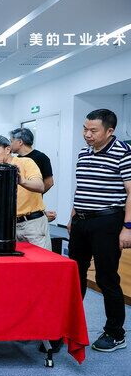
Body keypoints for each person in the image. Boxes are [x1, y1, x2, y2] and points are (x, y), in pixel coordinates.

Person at [68, 109, 130, 352]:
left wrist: (128, 228)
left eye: (93, 130)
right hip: (81, 221)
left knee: (106, 277)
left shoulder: (123, 153)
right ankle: (70, 325)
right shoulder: (84, 152)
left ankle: (115, 332)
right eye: (85, 129)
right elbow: (82, 186)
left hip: (108, 221)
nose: (87, 134)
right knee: (75, 274)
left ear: (109, 130)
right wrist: (73, 216)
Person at [0, 135, 50, 249]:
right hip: (8, 226)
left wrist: (22, 181)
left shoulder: (26, 162)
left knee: (40, 259)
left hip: (32, 224)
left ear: (7, 149)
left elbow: (40, 186)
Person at [10, 127, 56, 222]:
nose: (9, 145)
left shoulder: (41, 157)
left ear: (20, 142)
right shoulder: (16, 160)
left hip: (33, 210)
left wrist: (34, 195)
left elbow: (49, 182)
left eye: (11, 141)